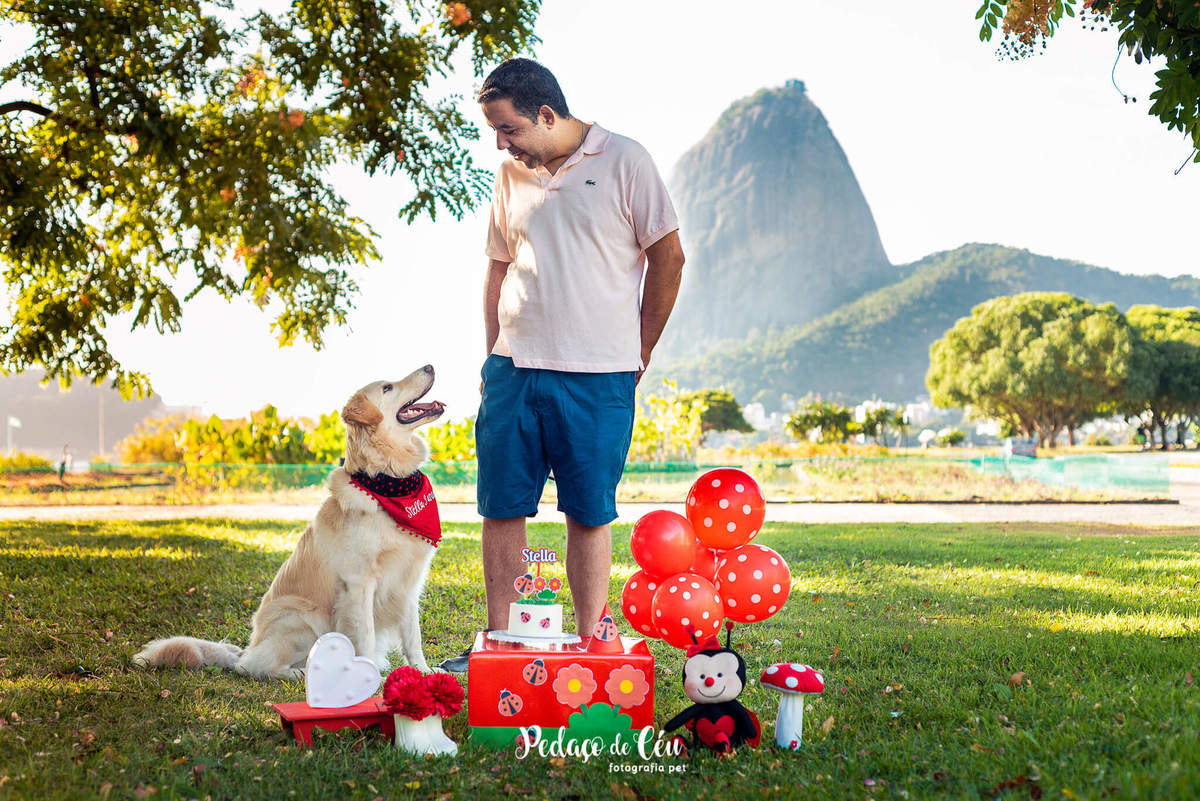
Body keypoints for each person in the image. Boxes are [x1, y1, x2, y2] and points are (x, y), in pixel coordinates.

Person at [439, 59, 685, 672]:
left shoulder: (626, 160)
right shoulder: (510, 175)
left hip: (599, 375)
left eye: (509, 128)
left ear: (547, 115)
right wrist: (493, 347)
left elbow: (670, 257)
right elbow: (498, 264)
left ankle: (588, 644)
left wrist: (642, 348)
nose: (500, 143)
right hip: (513, 370)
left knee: (589, 509)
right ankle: (500, 643)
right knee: (501, 505)